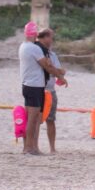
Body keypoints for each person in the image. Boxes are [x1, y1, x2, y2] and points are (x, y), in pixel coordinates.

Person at [19, 21, 64, 156]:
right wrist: (61, 77)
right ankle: (29, 148)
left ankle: (30, 147)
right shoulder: (34, 48)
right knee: (33, 119)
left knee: (31, 118)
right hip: (34, 86)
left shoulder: (23, 46)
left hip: (27, 85)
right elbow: (47, 66)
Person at [37, 28, 67, 154]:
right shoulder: (37, 51)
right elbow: (52, 69)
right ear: (44, 37)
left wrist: (55, 69)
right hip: (39, 89)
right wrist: (54, 69)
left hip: (50, 90)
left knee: (51, 120)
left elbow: (60, 71)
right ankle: (34, 146)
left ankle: (52, 148)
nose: (52, 40)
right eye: (51, 37)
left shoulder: (52, 54)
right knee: (36, 120)